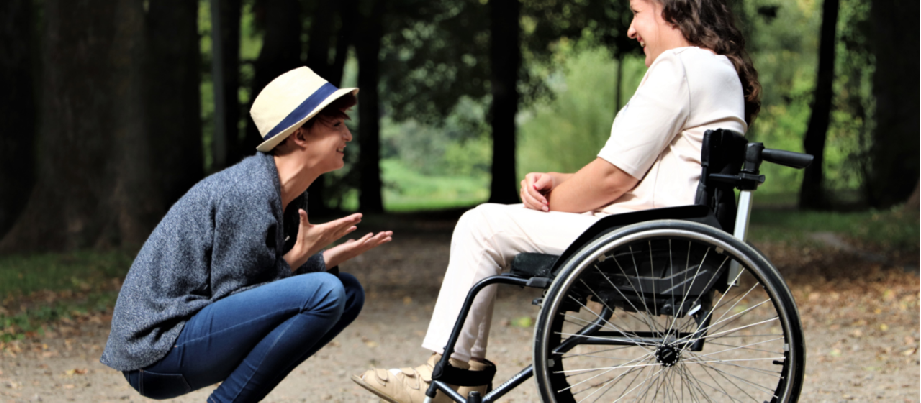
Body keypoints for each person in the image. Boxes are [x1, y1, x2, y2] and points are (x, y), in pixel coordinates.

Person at [352, 0, 760, 401]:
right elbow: (643, 173)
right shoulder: (719, 71)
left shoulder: (679, 67)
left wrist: (553, 201)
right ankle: (460, 373)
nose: (630, 30)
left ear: (671, 8)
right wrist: (560, 183)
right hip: (669, 231)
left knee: (481, 225)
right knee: (493, 222)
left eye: (637, 13)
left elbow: (612, 176)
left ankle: (447, 377)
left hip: (640, 238)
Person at [101, 67, 392, 402]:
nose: (347, 137)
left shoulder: (287, 192)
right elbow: (235, 297)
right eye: (336, 125)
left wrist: (321, 260)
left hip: (190, 336)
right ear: (300, 135)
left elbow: (257, 288)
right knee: (326, 291)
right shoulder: (248, 192)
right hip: (155, 352)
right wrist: (304, 259)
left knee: (347, 292)